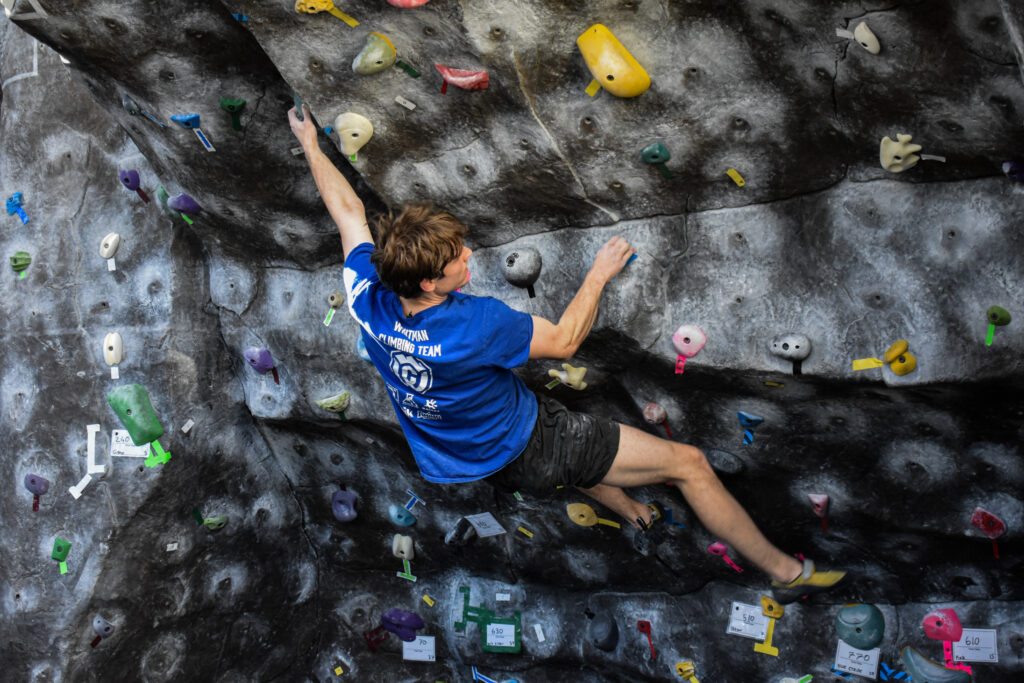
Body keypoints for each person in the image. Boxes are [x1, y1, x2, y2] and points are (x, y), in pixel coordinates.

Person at [289, 105, 844, 603]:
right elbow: (564, 341)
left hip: (464, 456)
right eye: (457, 257)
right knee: (688, 466)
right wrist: (598, 274)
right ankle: (785, 572)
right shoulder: (475, 325)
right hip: (532, 442)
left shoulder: (367, 298)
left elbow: (348, 213)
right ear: (431, 283)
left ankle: (639, 515)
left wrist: (311, 143)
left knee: (573, 459)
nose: (469, 253)